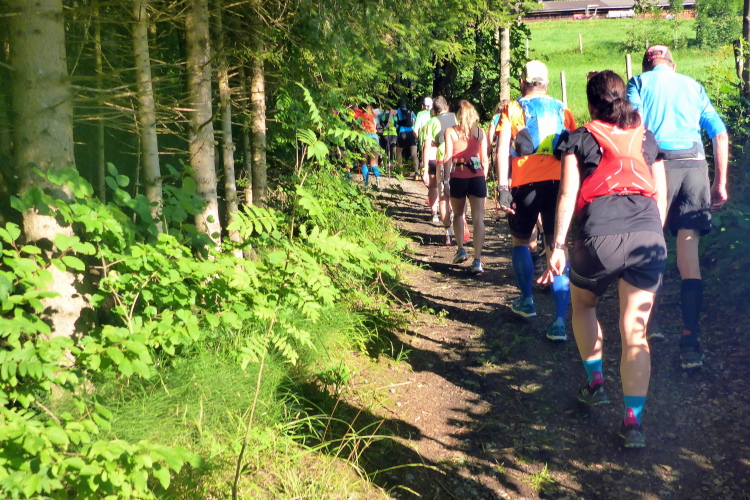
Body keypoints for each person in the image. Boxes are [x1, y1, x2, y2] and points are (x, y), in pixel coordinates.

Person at [547, 70, 668, 448]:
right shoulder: (647, 137)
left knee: (584, 304)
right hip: (648, 236)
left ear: (590, 104)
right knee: (635, 330)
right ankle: (633, 422)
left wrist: (558, 245)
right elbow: (661, 196)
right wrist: (651, 235)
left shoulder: (579, 138)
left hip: (599, 236)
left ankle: (596, 382)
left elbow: (568, 195)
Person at [627, 46, 729, 369]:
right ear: (673, 65)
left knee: (650, 246)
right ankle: (690, 342)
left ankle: (649, 325)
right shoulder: (693, 86)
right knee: (689, 258)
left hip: (657, 167)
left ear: (647, 66)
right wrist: (720, 182)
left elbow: (633, 127)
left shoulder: (638, 83)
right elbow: (719, 133)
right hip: (694, 167)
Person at [496, 60, 576, 341]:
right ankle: (559, 322)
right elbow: (572, 149)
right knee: (558, 246)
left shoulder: (513, 108)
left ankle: (527, 301)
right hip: (558, 185)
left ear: (522, 82)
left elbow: (503, 149)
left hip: (525, 184)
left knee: (520, 241)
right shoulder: (563, 109)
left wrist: (502, 186)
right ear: (546, 83)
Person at [444, 100, 489, 274]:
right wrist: (483, 178)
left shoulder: (451, 132)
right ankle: (477, 260)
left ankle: (461, 249)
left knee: (458, 214)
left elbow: (448, 157)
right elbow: (484, 159)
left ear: (458, 115)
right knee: (479, 219)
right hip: (477, 176)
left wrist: (446, 181)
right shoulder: (480, 132)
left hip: (458, 176)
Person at [422, 96, 458, 241]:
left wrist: (424, 168)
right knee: (457, 193)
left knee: (442, 195)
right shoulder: (456, 118)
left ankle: (447, 231)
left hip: (442, 158)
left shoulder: (432, 122)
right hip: (458, 158)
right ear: (447, 107)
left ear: (434, 110)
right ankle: (458, 220)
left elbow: (426, 146)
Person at [354, 105, 381, 187]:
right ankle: (378, 177)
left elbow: (356, 128)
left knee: (364, 162)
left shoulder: (360, 117)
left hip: (364, 138)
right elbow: (378, 126)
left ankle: (366, 182)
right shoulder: (374, 117)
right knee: (374, 162)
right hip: (374, 138)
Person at [394, 99, 419, 179]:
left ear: (399, 106)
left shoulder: (397, 111)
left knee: (399, 152)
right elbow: (415, 122)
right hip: (411, 133)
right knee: (414, 154)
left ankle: (401, 172)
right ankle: (416, 173)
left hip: (402, 133)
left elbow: (393, 118)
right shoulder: (411, 113)